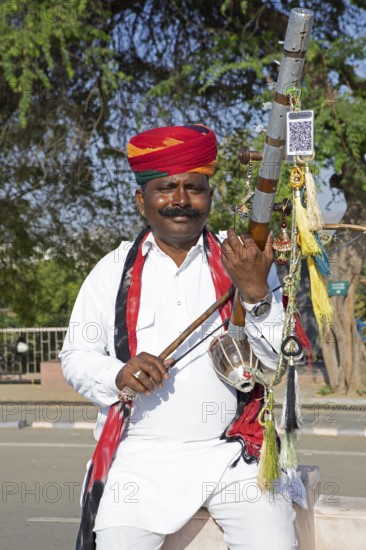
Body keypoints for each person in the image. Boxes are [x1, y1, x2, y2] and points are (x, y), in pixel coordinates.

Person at [60, 124, 296, 550]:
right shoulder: (112, 271)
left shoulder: (243, 258)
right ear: (142, 200)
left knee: (273, 541)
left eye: (194, 187)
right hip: (139, 457)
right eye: (166, 187)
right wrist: (118, 374)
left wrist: (258, 293)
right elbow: (76, 356)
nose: (181, 200)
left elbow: (280, 362)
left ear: (210, 196)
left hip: (232, 453)